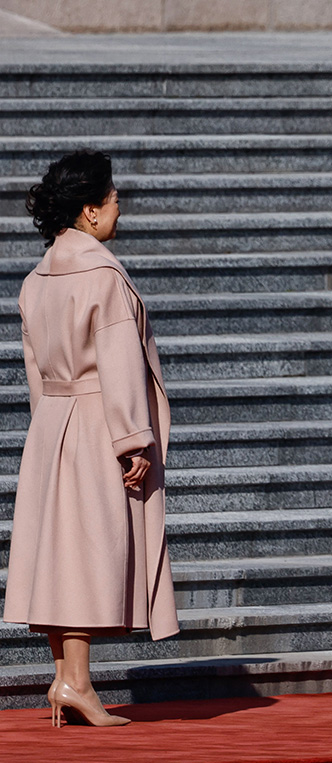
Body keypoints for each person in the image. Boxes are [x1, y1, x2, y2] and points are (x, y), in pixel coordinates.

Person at [3, 149, 177, 727]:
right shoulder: (101, 274)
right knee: (84, 556)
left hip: (52, 423)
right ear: (90, 209)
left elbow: (34, 370)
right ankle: (75, 682)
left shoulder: (36, 279)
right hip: (97, 420)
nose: (119, 207)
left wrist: (48, 428)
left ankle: (66, 679)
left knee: (61, 554)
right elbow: (120, 361)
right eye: (113, 198)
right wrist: (133, 440)